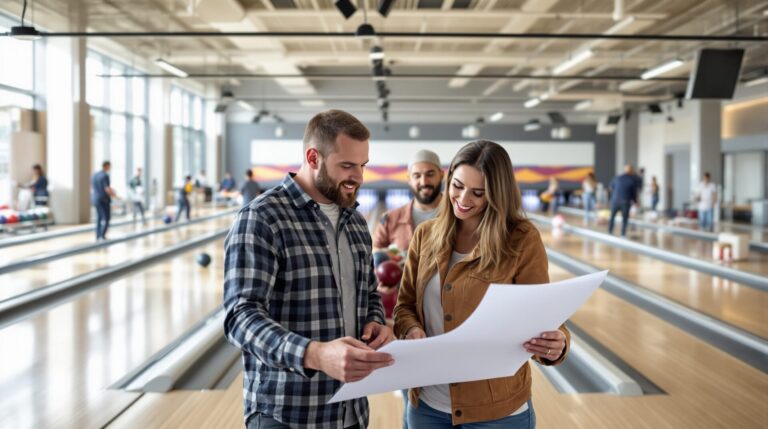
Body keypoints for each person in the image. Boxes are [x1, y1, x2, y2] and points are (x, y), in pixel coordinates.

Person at [223, 109, 395, 429]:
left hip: (351, 411)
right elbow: (240, 317)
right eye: (347, 165)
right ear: (313, 157)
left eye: (362, 165)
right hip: (286, 413)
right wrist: (315, 355)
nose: (358, 176)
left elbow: (369, 293)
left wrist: (375, 321)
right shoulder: (262, 218)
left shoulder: (356, 222)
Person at [394, 140, 570, 428]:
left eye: (478, 193)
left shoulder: (521, 239)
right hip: (427, 405)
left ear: (498, 194)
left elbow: (541, 314)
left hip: (497, 412)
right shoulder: (425, 235)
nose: (463, 199)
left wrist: (557, 343)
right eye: (457, 186)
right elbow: (405, 306)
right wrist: (411, 328)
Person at [371, 149, 443, 429]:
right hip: (406, 314)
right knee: (411, 393)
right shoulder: (391, 218)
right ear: (409, 180)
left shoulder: (458, 214)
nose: (423, 180)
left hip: (447, 312)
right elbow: (376, 253)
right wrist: (385, 265)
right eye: (417, 175)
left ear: (441, 175)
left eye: (429, 174)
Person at [608, 164, 640, 237]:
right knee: (625, 219)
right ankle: (623, 234)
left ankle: (609, 231)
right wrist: (635, 202)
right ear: (631, 171)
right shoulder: (632, 180)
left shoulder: (617, 178)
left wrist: (612, 197)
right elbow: (633, 193)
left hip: (615, 200)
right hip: (625, 201)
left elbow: (610, 188)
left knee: (612, 216)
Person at [91, 161, 117, 240]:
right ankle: (102, 235)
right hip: (103, 200)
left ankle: (98, 235)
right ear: (106, 166)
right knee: (107, 218)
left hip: (95, 199)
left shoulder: (94, 175)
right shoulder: (105, 176)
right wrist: (114, 195)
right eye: (109, 167)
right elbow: (106, 188)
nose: (109, 168)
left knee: (99, 218)